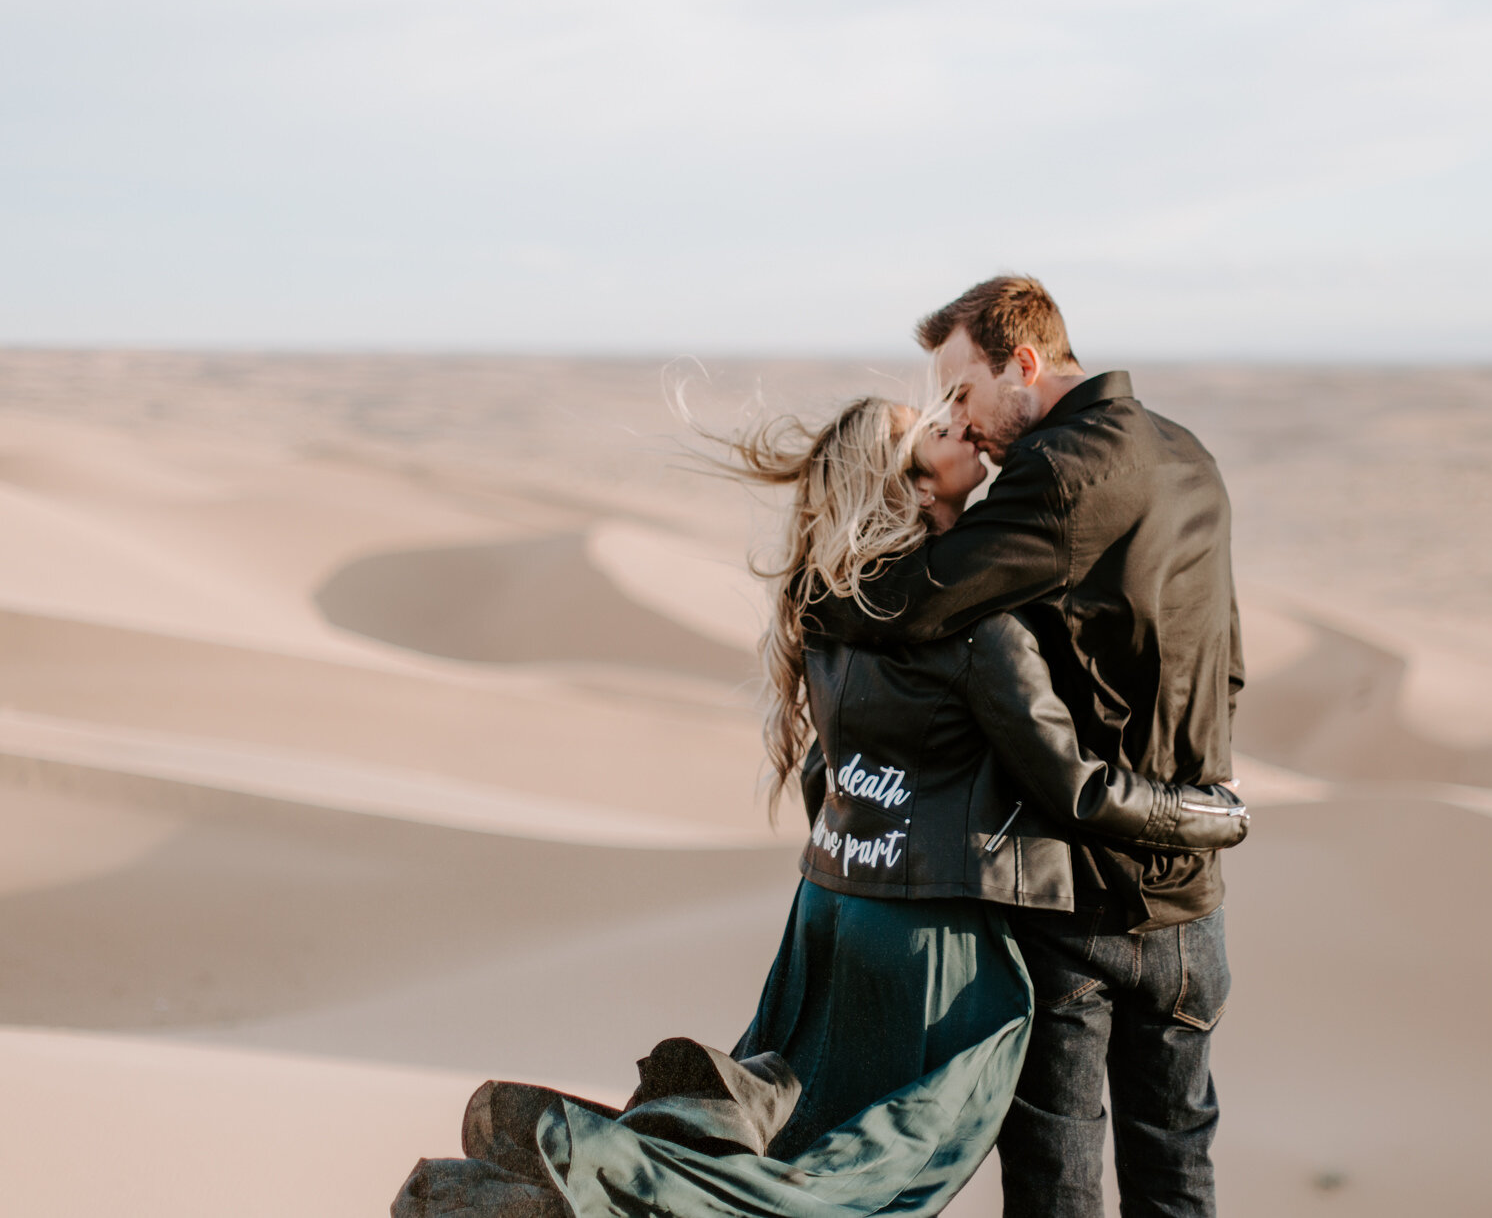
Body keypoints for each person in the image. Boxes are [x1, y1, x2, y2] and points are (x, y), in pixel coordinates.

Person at [390, 395, 1249, 1218]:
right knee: (849, 1180)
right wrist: (1215, 815)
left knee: (787, 1143)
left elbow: (825, 776)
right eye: (936, 434)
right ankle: (577, 1176)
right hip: (929, 947)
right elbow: (1071, 784)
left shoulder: (837, 604)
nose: (964, 432)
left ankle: (558, 1183)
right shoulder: (976, 624)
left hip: (831, 918)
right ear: (911, 485)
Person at [807, 277, 1243, 1218]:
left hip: (1080, 898)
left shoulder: (1061, 466)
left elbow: (933, 595)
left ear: (1027, 365)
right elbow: (1227, 664)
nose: (963, 418)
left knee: (1056, 1181)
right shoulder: (1192, 457)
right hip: (1192, 901)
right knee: (1180, 1175)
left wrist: (822, 593)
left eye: (963, 393)